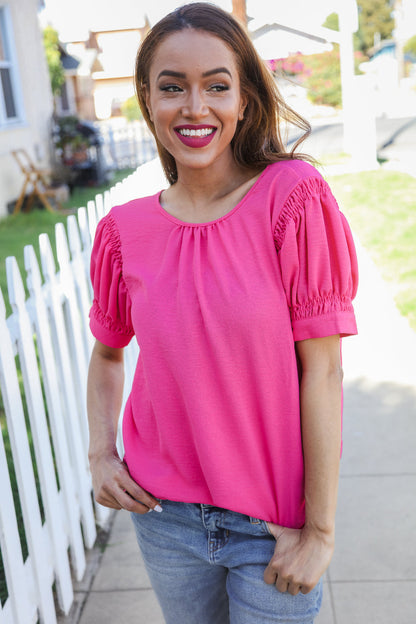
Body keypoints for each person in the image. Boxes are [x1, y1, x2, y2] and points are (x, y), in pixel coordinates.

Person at [87, 3, 358, 623]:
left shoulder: (291, 200)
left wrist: (319, 531)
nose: (195, 107)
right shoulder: (123, 231)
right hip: (165, 522)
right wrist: (102, 454)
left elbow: (324, 374)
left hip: (273, 528)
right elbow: (107, 353)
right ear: (148, 101)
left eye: (216, 85)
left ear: (244, 100)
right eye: (172, 87)